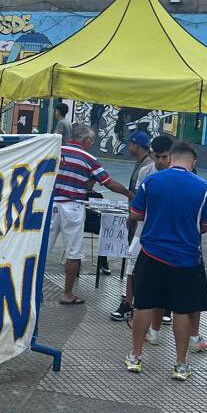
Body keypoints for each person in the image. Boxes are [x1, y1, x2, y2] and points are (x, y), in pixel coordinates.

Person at [124, 142, 207, 379]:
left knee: (143, 304)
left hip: (152, 254)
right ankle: (181, 364)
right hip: (186, 260)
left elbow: (136, 214)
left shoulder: (152, 182)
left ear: (172, 158)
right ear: (193, 162)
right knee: (182, 311)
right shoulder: (203, 187)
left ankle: (135, 357)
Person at [52, 124, 131, 305]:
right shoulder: (88, 158)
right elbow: (108, 182)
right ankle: (67, 294)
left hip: (51, 205)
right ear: (86, 141)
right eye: (91, 141)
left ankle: (31, 290)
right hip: (73, 207)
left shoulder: (55, 151)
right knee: (74, 252)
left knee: (40, 248)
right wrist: (128, 194)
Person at [110, 131, 161, 324]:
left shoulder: (148, 167)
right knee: (133, 261)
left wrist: (134, 215)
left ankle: (158, 308)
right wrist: (133, 215)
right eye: (158, 156)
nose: (160, 160)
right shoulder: (144, 168)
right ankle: (129, 303)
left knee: (144, 264)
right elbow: (138, 200)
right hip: (141, 222)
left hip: (149, 226)